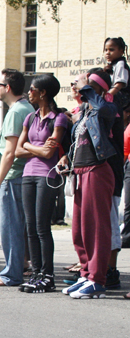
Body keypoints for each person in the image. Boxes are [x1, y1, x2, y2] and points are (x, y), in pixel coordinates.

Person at [61, 70, 119, 298]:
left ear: (98, 89)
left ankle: (97, 280)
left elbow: (104, 109)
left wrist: (86, 88)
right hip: (80, 172)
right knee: (80, 230)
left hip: (97, 171)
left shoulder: (106, 108)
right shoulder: (84, 112)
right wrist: (67, 158)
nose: (80, 87)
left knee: (97, 229)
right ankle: (86, 274)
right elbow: (79, 143)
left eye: (88, 85)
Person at [14, 74, 68, 293]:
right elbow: (18, 151)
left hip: (47, 175)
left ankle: (47, 276)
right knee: (30, 227)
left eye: (32, 89)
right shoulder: (30, 117)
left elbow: (48, 153)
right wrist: (34, 147)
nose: (29, 92)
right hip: (28, 174)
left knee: (42, 226)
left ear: (43, 93)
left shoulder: (59, 118)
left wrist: (29, 145)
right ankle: (36, 273)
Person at [0, 69, 35, 287]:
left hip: (13, 175)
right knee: (19, 227)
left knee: (10, 228)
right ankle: (19, 266)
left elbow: (10, 152)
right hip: (23, 174)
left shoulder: (16, 111)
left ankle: (11, 274)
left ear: (7, 87)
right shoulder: (26, 108)